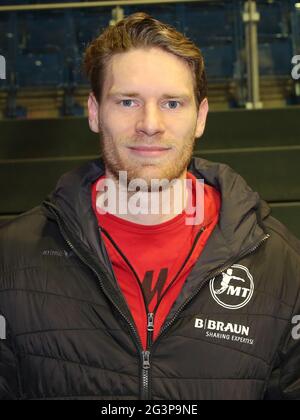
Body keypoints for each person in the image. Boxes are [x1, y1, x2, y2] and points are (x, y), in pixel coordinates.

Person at [0, 12, 300, 401]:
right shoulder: (12, 257)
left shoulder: (278, 261)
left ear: (201, 118)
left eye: (173, 103)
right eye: (127, 101)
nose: (150, 124)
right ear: (94, 112)